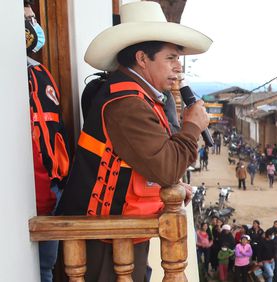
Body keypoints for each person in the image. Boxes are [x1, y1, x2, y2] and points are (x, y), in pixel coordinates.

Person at [56, 1, 212, 280]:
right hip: (104, 241)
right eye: (171, 58)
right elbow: (166, 167)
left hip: (120, 234)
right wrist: (191, 127)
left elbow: (146, 163)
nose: (179, 67)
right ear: (142, 58)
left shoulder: (138, 97)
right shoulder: (127, 104)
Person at [24, 1, 71, 281]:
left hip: (54, 185)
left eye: (32, 18)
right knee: (38, 268)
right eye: (27, 20)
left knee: (47, 266)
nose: (33, 25)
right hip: (32, 189)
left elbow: (55, 129)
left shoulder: (40, 73)